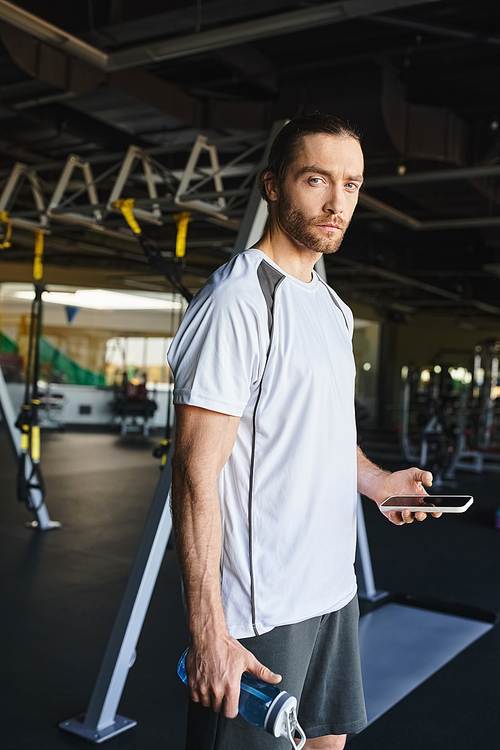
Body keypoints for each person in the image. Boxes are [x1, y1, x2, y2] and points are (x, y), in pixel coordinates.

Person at [168, 113, 441, 750]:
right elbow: (193, 472)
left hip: (331, 587)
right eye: (317, 179)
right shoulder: (237, 302)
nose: (336, 201)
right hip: (262, 608)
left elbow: (318, 428)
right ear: (273, 185)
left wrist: (377, 482)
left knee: (326, 745)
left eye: (351, 185)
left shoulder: (330, 304)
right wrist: (209, 630)